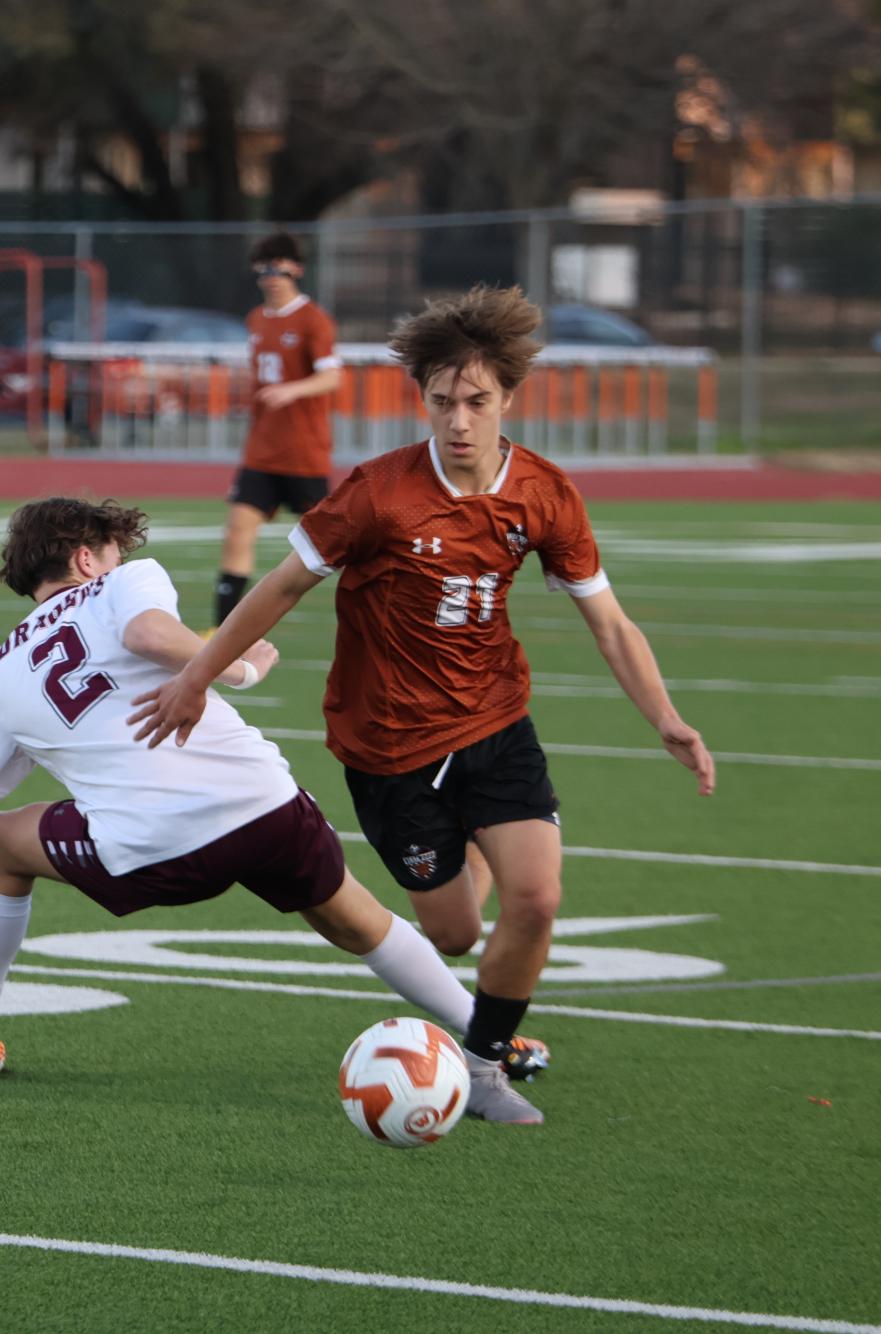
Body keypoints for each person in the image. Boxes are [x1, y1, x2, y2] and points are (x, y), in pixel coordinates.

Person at [129, 286, 718, 1124]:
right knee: (450, 935)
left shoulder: (545, 495)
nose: (458, 421)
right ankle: (474, 858)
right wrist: (195, 675)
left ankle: (481, 1068)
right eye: (441, 401)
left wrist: (665, 717)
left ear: (508, 398)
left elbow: (610, 624)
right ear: (423, 400)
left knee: (537, 900)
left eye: (476, 402)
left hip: (493, 720)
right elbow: (280, 587)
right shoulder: (376, 493)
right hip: (387, 745)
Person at [0, 497, 486, 1083]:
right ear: (85, 559)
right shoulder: (125, 581)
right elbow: (149, 633)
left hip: (156, 853)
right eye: (112, 549)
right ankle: (490, 1034)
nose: (122, 558)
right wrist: (238, 669)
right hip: (264, 808)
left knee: (1, 842)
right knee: (358, 923)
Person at [213, 233, 343, 626]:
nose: (272, 276)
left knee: (333, 543)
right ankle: (221, 629)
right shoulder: (255, 319)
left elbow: (332, 377)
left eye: (280, 267)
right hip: (261, 452)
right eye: (264, 268)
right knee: (238, 529)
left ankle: (378, 606)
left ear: (297, 270)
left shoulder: (313, 319)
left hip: (304, 453)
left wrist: (291, 391)